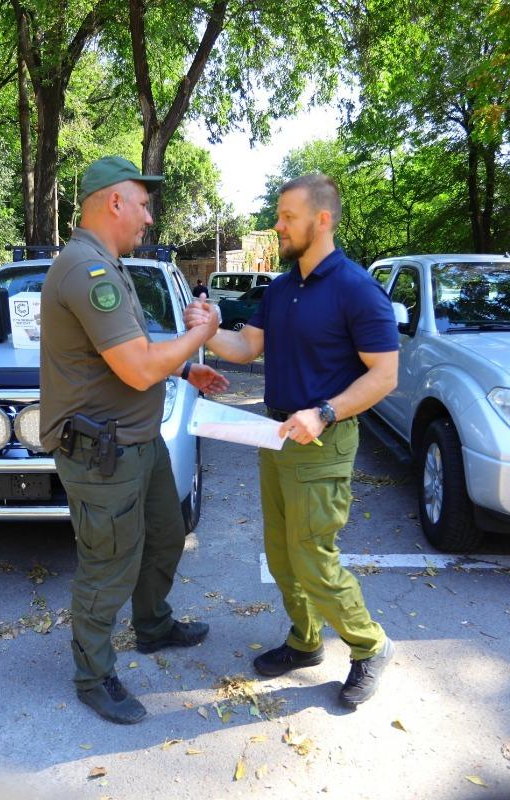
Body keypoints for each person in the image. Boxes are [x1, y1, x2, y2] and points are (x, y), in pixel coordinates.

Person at [184, 173, 399, 709]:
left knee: (312, 557)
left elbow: (384, 376)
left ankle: (369, 645)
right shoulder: (281, 288)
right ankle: (305, 642)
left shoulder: (356, 288)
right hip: (275, 434)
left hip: (321, 440)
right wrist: (209, 329)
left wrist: (325, 413)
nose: (277, 226)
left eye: (286, 216)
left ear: (321, 220)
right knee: (282, 556)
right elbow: (246, 347)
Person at [39, 155, 229, 724]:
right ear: (113, 202)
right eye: (143, 204)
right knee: (110, 565)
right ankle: (93, 675)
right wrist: (202, 335)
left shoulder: (108, 264)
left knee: (167, 537)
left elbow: (133, 354)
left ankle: (152, 626)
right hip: (104, 455)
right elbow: (138, 368)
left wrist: (185, 369)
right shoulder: (85, 270)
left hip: (138, 443)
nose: (149, 218)